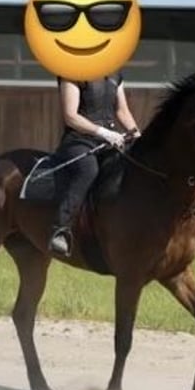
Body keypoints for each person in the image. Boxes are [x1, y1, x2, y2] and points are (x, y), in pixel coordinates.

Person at [48, 72, 142, 256]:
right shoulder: (72, 73)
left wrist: (138, 137)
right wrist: (102, 132)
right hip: (78, 141)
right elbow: (70, 116)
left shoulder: (115, 74)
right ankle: (60, 229)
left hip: (110, 141)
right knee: (88, 170)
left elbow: (122, 111)